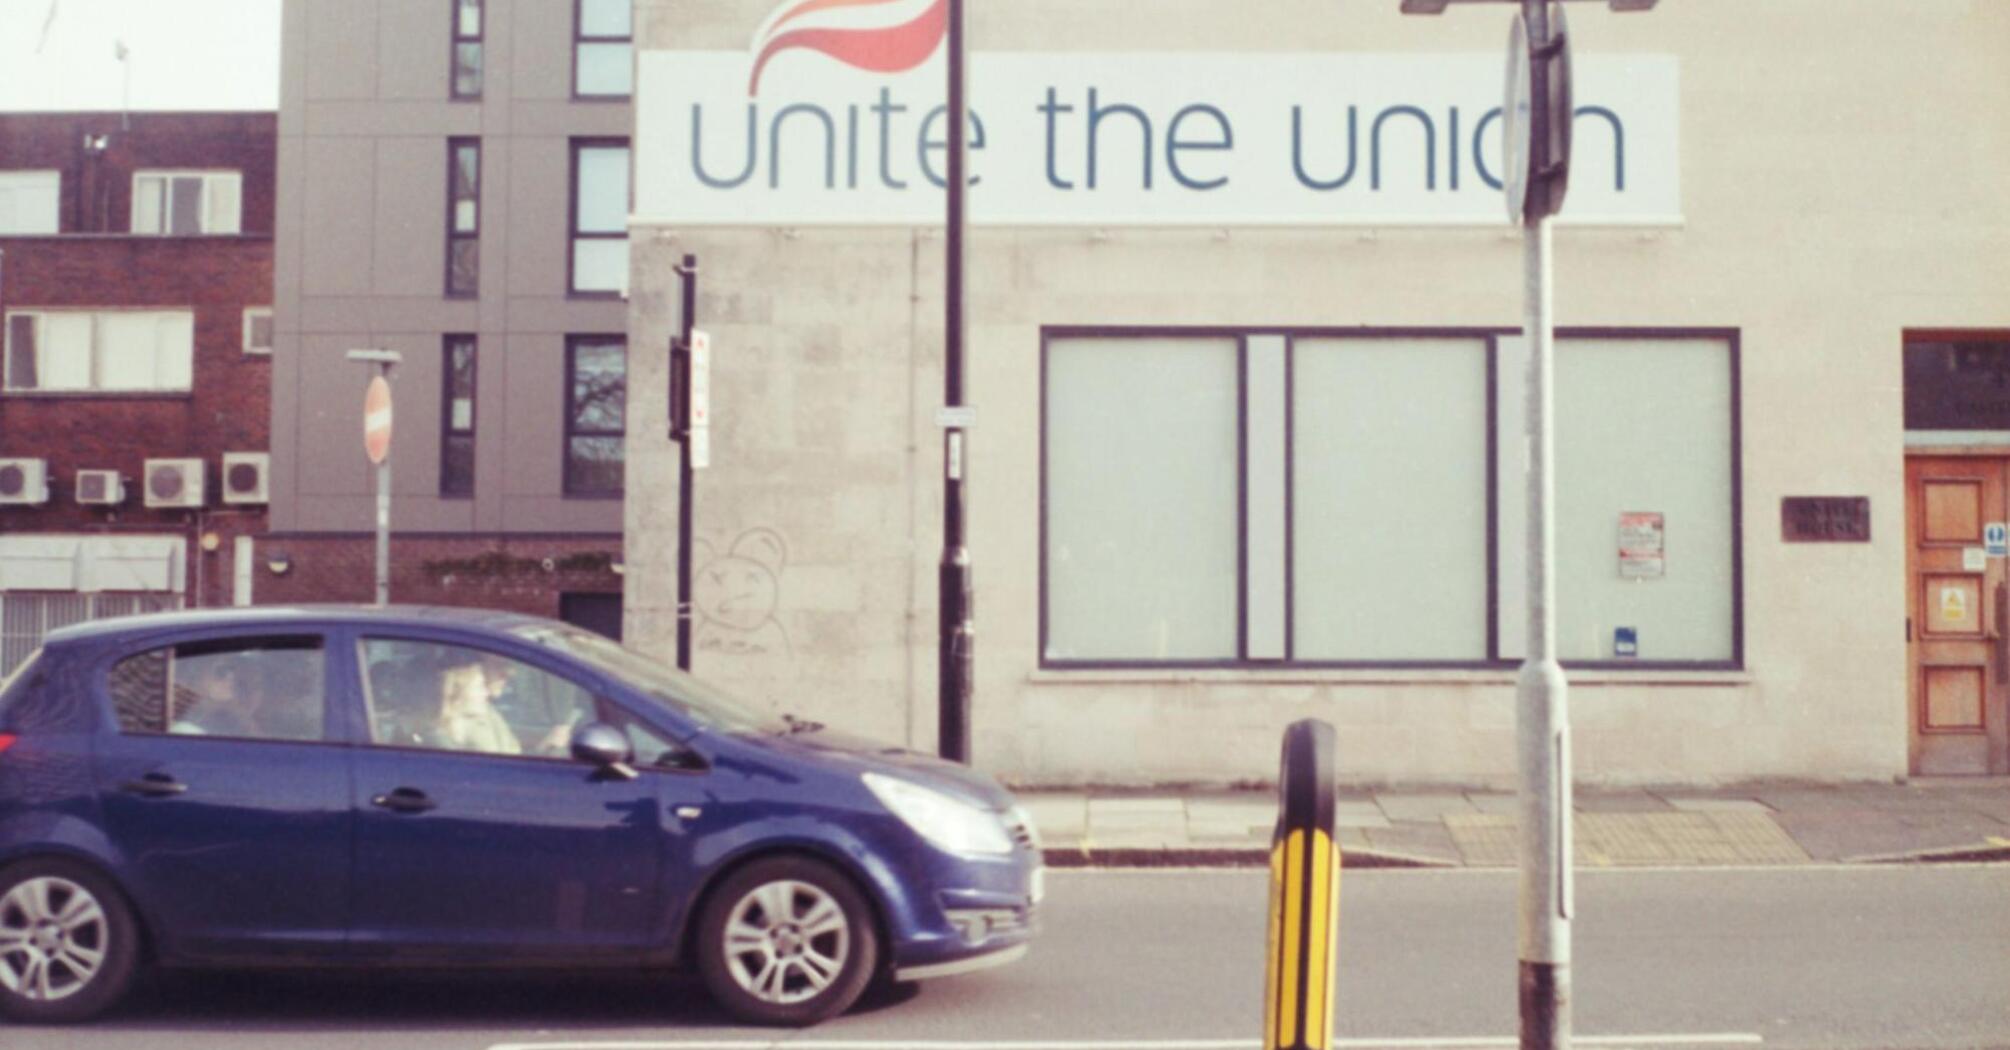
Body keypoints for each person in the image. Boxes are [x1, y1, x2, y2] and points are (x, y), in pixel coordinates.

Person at [429, 662, 521, 755]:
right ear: (458, 696)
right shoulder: (438, 744)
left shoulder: (490, 715)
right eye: (479, 687)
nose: (486, 693)